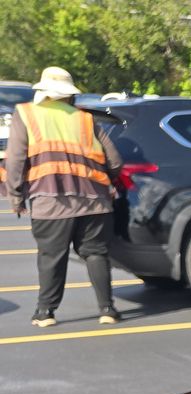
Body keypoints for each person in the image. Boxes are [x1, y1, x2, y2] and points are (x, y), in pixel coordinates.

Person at [2, 67, 123, 327]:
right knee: (95, 253)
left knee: (51, 256)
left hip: (51, 201)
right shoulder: (86, 119)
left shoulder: (26, 114)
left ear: (43, 92)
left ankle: (46, 312)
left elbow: (15, 161)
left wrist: (15, 196)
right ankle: (108, 309)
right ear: (70, 94)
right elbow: (114, 160)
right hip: (95, 201)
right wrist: (108, 185)